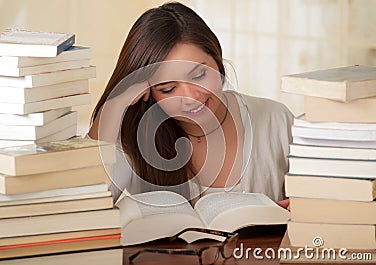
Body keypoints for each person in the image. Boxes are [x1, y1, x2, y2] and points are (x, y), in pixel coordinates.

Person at [88, 2, 293, 207]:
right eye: (168, 89)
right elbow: (88, 207)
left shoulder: (275, 119)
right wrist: (111, 110)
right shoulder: (132, 138)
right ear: (149, 93)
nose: (191, 97)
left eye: (199, 75)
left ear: (217, 58)